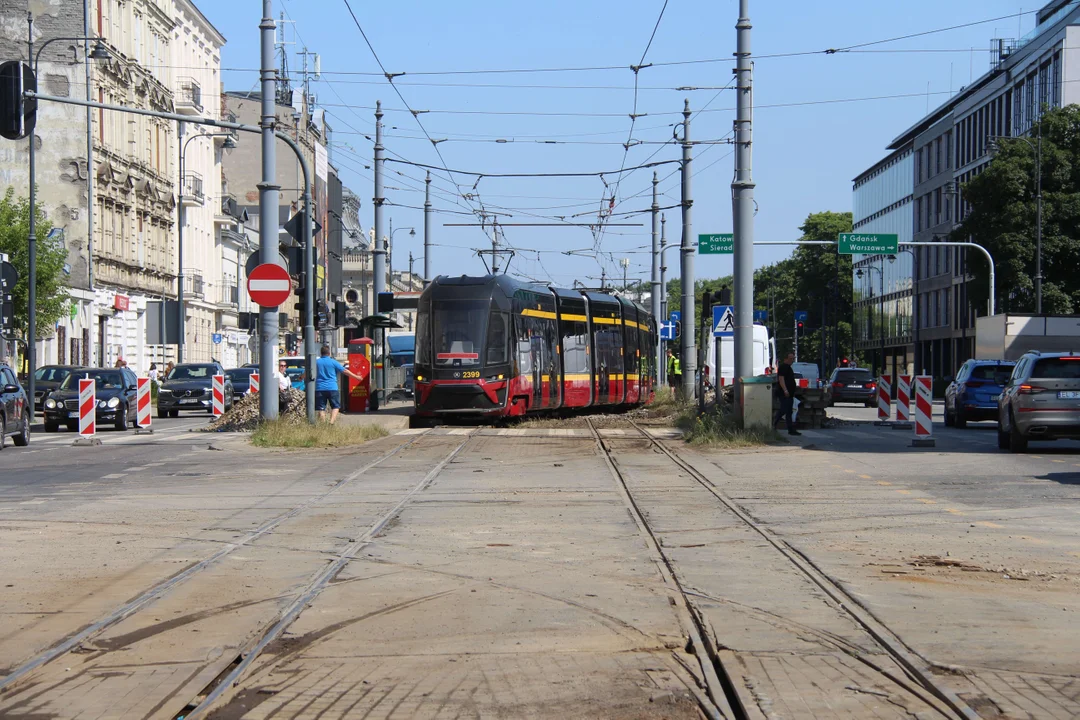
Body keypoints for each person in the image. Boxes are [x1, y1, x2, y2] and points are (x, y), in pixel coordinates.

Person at [315, 345, 365, 424]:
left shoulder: (316, 362)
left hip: (319, 388)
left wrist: (301, 377)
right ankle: (331, 423)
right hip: (332, 388)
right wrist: (356, 377)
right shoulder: (333, 362)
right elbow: (345, 371)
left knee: (321, 408)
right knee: (335, 406)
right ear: (329, 353)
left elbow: (308, 370)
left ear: (321, 353)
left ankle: (323, 424)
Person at [773, 351, 800, 436]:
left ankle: (791, 429)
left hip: (789, 394)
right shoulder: (783, 367)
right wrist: (785, 390)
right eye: (790, 358)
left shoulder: (789, 367)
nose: (792, 360)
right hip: (784, 393)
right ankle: (773, 424)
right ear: (785, 359)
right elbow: (781, 379)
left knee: (789, 412)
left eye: (793, 358)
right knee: (783, 410)